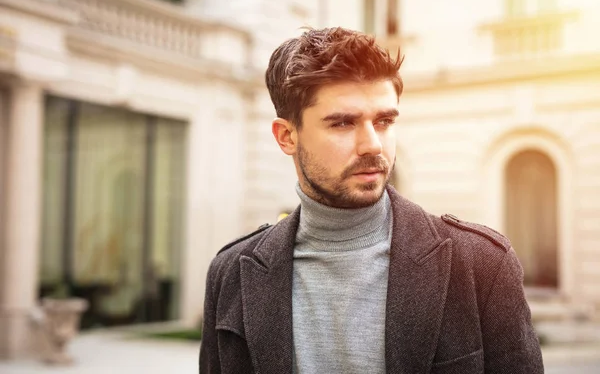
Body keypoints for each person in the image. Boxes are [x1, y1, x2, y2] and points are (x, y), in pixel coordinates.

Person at [199, 27, 544, 374]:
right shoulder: (230, 274)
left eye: (384, 121)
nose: (373, 145)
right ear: (287, 136)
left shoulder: (482, 265)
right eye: (343, 123)